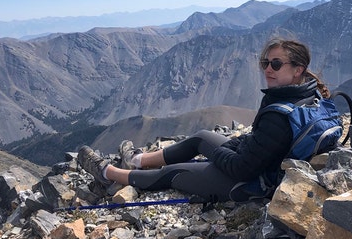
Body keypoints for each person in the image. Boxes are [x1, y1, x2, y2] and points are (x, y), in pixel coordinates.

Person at [78, 38, 333, 203]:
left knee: (171, 173)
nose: (267, 69)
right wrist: (232, 146)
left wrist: (218, 153)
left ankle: (108, 173)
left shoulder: (279, 116)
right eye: (265, 62)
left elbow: (242, 169)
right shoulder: (308, 94)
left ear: (297, 69)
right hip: (260, 164)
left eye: (276, 64)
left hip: (247, 184)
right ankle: (136, 160)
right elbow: (261, 142)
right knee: (201, 137)